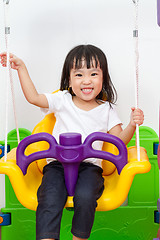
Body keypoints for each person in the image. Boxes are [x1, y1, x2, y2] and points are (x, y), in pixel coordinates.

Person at [0, 44, 144, 240]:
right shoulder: (62, 100)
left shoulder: (106, 109)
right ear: (69, 79)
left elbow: (118, 142)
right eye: (79, 75)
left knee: (85, 197)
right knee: (49, 198)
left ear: (104, 78)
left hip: (89, 167)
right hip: (57, 165)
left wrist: (132, 125)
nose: (86, 80)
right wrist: (22, 68)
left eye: (93, 74)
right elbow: (33, 98)